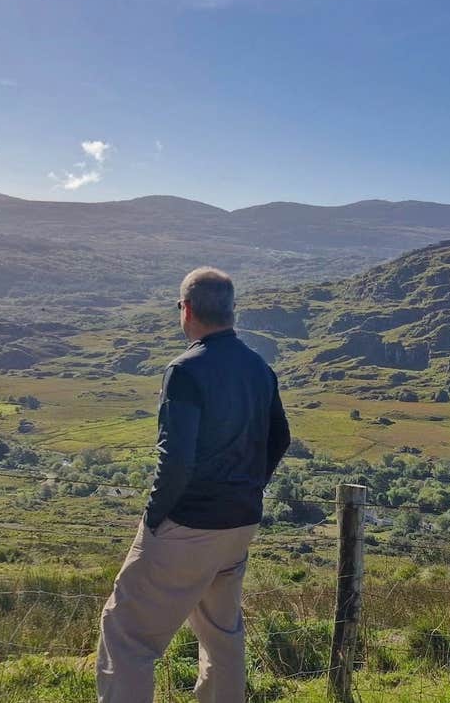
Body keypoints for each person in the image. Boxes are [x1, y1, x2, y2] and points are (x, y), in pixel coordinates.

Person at [97, 267, 291, 703]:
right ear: (231, 311)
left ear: (185, 310)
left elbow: (176, 459)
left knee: (127, 636)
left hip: (188, 524)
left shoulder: (185, 370)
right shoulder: (259, 367)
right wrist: (247, 488)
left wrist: (153, 520)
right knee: (222, 635)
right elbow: (281, 438)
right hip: (240, 524)